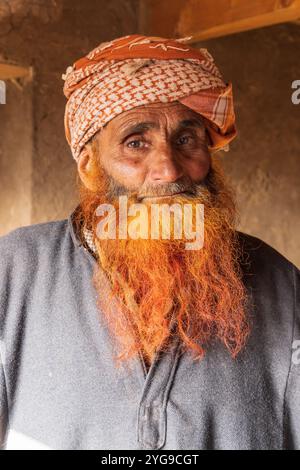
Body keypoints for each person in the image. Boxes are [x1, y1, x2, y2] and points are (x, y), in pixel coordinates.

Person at [0, 34, 299, 450]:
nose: (168, 170)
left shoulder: (282, 285)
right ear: (90, 166)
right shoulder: (14, 272)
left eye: (187, 139)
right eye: (136, 143)